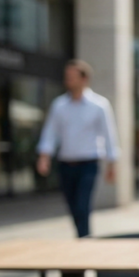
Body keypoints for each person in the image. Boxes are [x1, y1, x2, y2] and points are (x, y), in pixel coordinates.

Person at [36, 59, 120, 238]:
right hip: (66, 164)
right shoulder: (59, 105)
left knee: (83, 206)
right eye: (67, 77)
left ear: (84, 79)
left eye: (72, 77)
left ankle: (84, 240)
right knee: (73, 207)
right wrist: (44, 157)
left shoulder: (99, 105)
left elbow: (109, 135)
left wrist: (112, 164)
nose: (68, 81)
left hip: (88, 163)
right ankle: (83, 237)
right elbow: (50, 133)